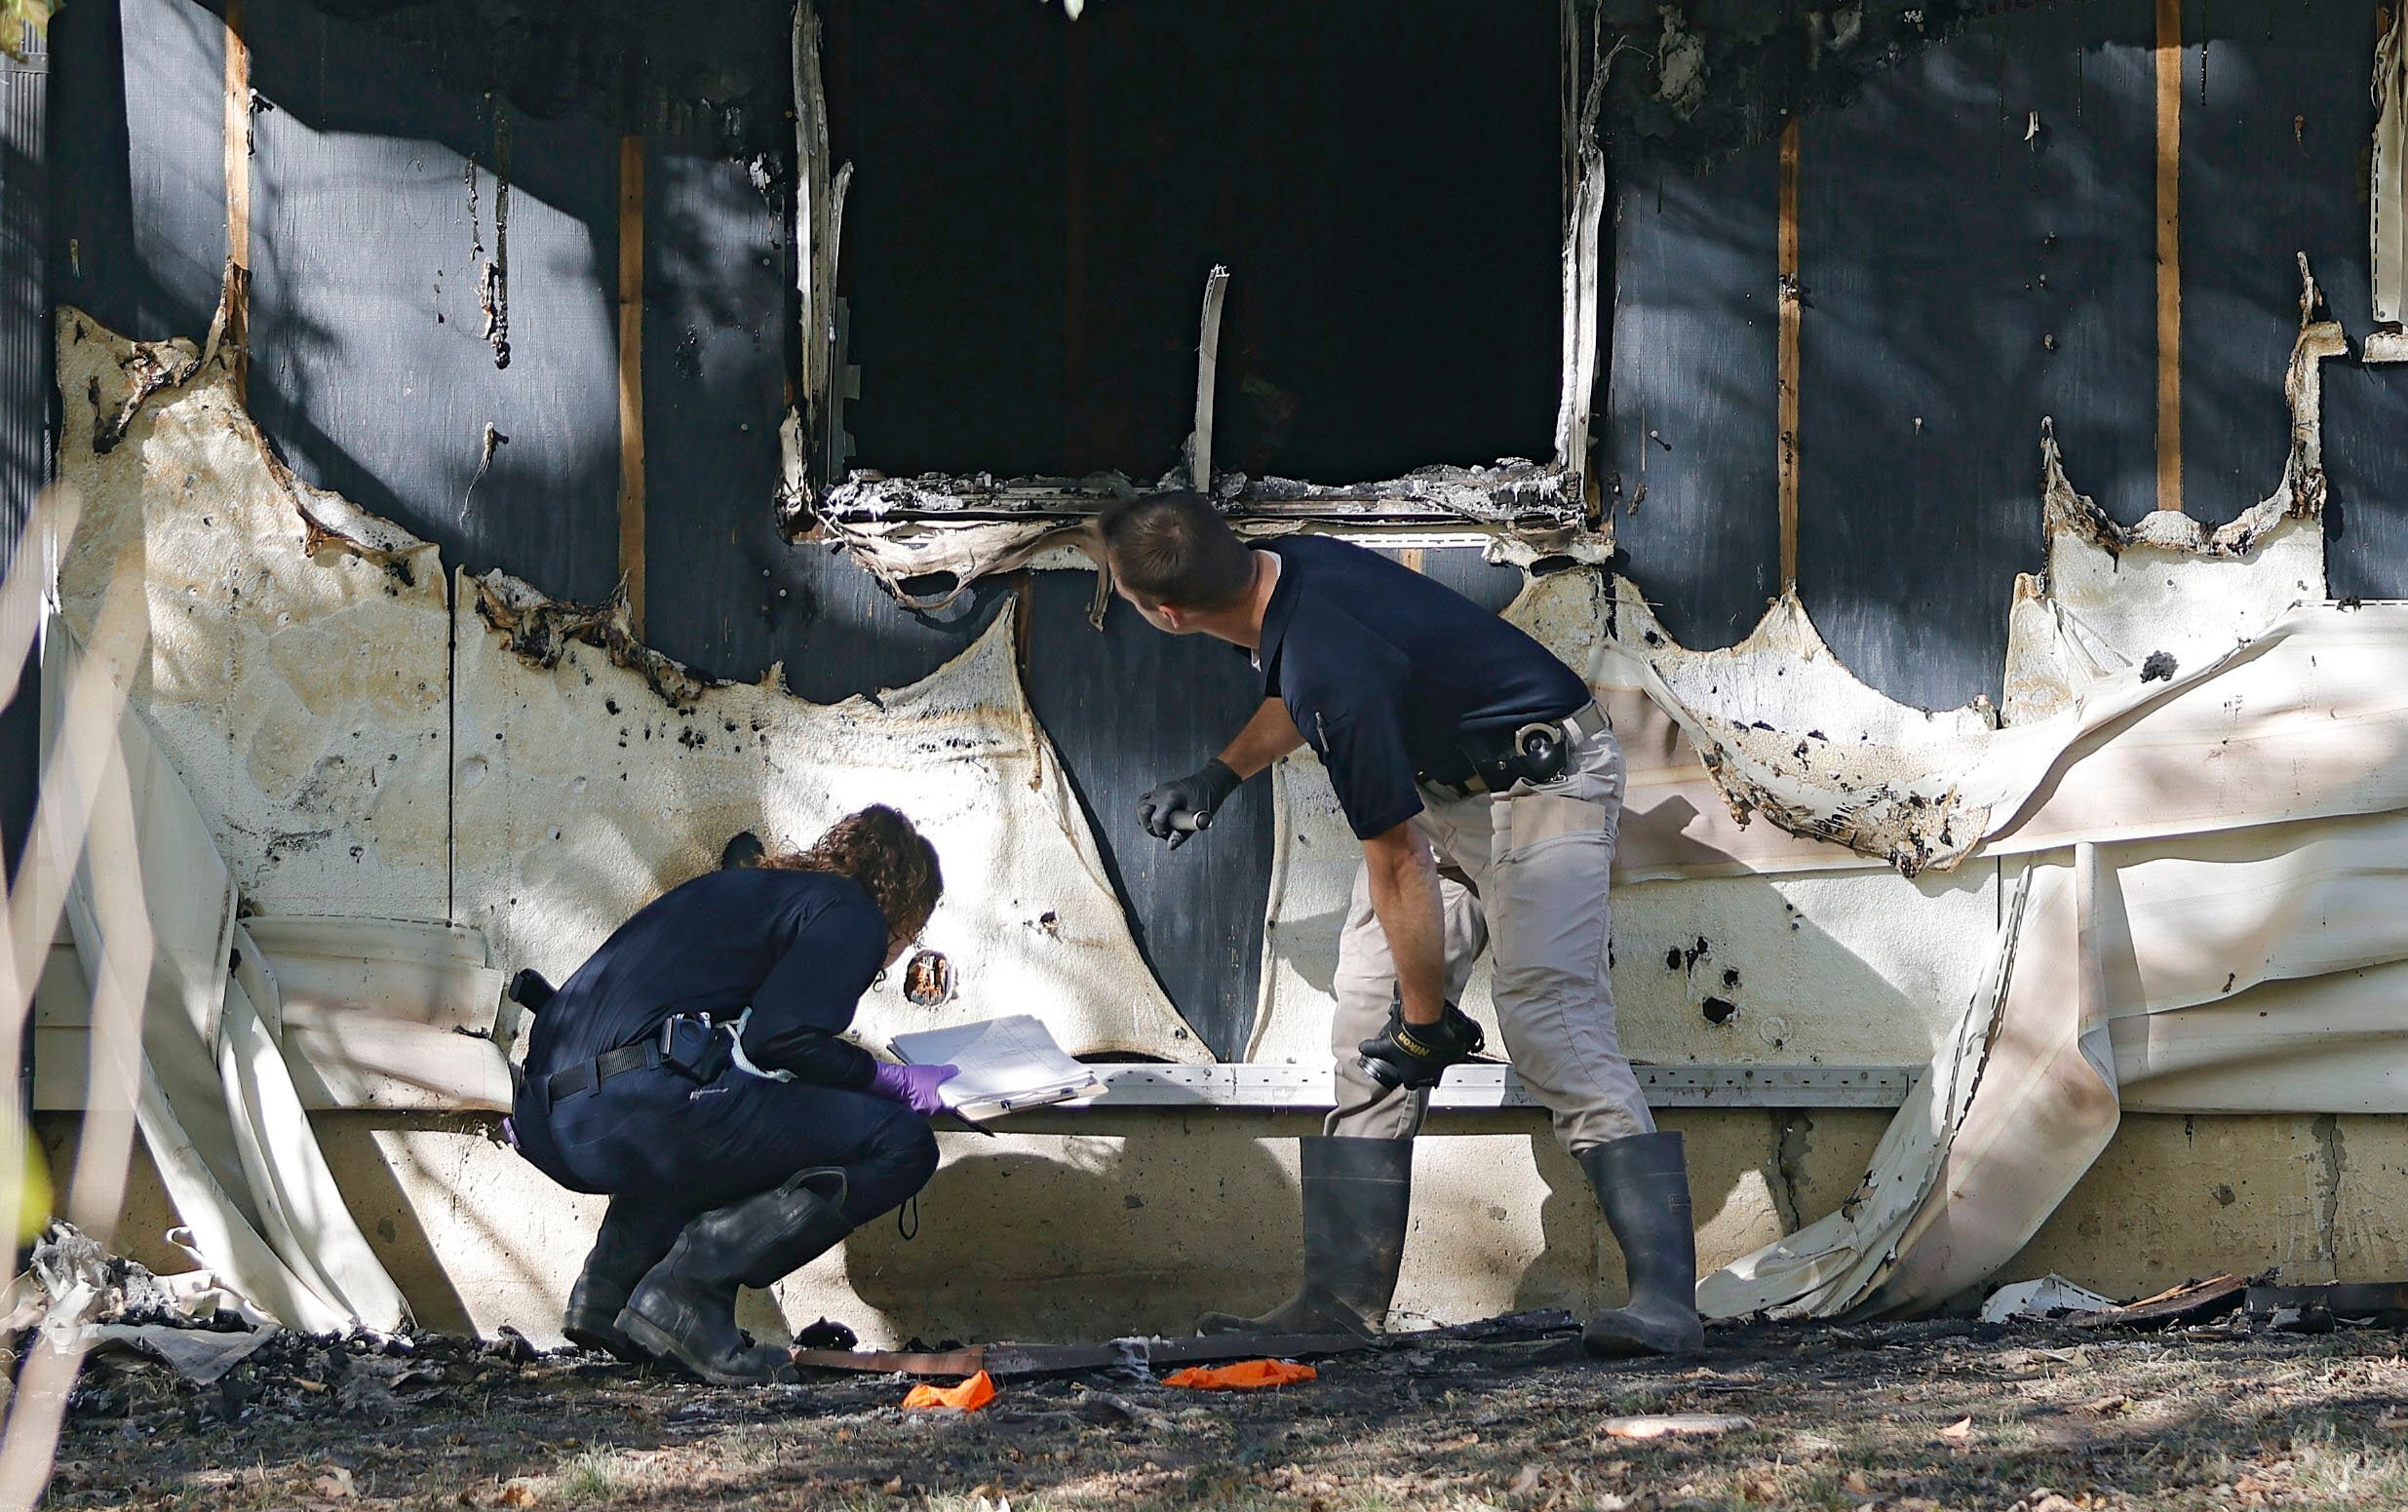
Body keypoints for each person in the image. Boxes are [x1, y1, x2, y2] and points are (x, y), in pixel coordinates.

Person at [1102, 489, 1703, 1358]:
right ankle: (1338, 1304)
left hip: (1544, 785)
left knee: (1550, 1022)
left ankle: (1663, 1301)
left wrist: (1426, 1024)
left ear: (1165, 615)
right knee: (1363, 1027)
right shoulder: (1289, 568)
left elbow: (1395, 861)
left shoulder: (1323, 661)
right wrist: (1219, 774)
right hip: (1449, 791)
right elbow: (1307, 693)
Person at [509, 806, 962, 1383]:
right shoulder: (854, 915)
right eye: (913, 931)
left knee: (716, 1117)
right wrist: (892, 1082)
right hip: (624, 1107)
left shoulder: (745, 891)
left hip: (550, 1117)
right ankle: (690, 1293)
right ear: (902, 906)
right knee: (902, 1143)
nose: (902, 946)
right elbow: (781, 1037)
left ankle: (610, 1290)